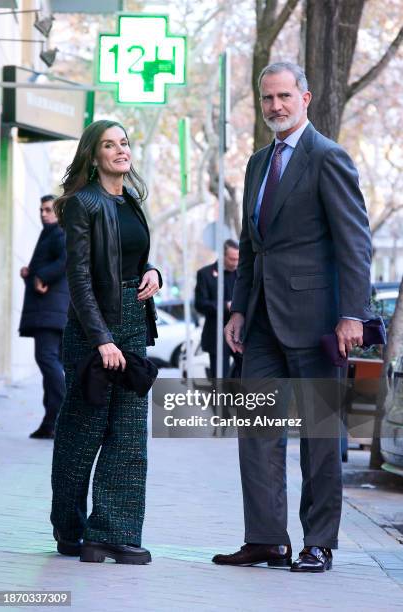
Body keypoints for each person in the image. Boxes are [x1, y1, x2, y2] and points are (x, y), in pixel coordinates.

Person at [212, 62, 373, 573]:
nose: (275, 106)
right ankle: (266, 539)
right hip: (261, 324)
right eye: (267, 99)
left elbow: (355, 242)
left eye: (284, 96)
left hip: (319, 322)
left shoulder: (328, 158)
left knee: (320, 439)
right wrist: (239, 307)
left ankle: (318, 542)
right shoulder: (258, 162)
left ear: (305, 98)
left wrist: (353, 314)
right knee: (256, 431)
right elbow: (254, 246)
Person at [50, 119, 162, 565]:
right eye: (109, 145)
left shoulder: (131, 200)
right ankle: (70, 527)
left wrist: (154, 273)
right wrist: (101, 340)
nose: (120, 150)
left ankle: (112, 534)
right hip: (92, 332)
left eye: (124, 143)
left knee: (130, 435)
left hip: (134, 325)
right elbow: (78, 278)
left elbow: (135, 257)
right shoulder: (83, 204)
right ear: (93, 156)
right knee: (82, 435)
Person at [19, 195, 69, 439]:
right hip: (50, 311)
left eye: (49, 210)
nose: (43, 214)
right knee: (51, 364)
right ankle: (50, 422)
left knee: (47, 360)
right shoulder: (49, 233)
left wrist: (42, 277)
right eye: (41, 210)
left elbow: (66, 258)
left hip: (50, 311)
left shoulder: (60, 232)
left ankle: (64, 416)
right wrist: (30, 273)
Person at [194, 239, 239, 378]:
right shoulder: (205, 274)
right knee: (220, 380)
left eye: (238, 259)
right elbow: (200, 304)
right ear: (223, 255)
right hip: (216, 336)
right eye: (232, 259)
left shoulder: (243, 273)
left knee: (245, 375)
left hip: (240, 334)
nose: (235, 263)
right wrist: (225, 306)